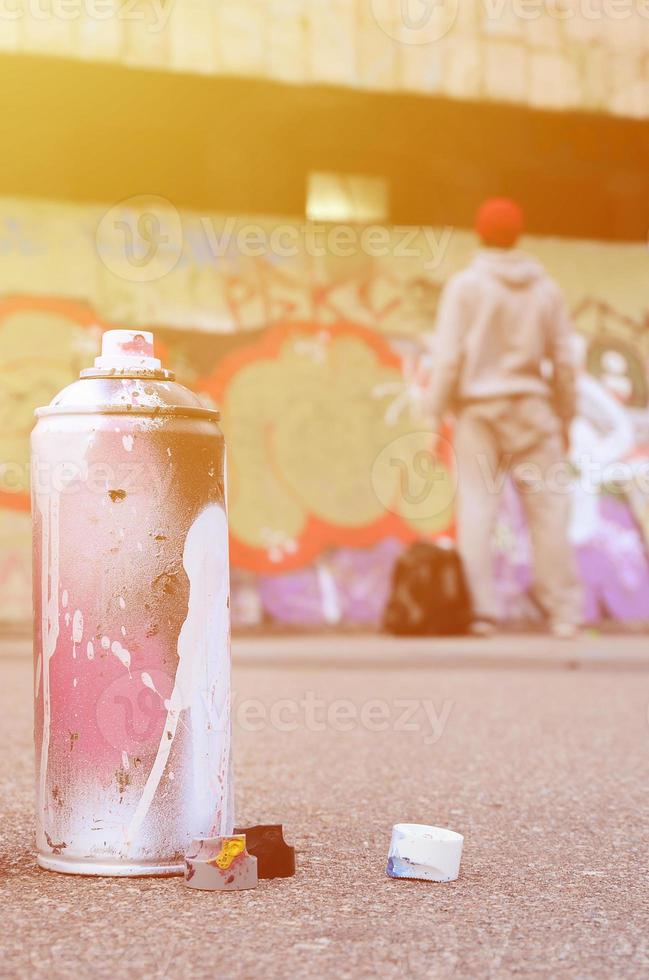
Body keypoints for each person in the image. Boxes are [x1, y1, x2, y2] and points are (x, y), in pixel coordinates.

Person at [427, 198, 582, 638]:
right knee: (550, 511)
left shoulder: (465, 287)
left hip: (478, 414)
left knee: (477, 507)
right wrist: (565, 418)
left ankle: (483, 613)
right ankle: (564, 613)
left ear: (479, 233)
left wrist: (433, 415)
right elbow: (564, 362)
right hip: (534, 411)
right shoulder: (546, 290)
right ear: (519, 235)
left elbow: (448, 360)